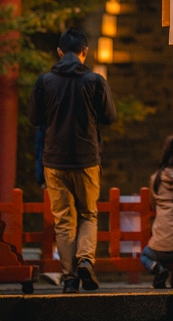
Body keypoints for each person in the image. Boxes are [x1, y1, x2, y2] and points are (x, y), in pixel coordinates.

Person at [28, 27, 118, 293]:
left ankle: (69, 277)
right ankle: (86, 260)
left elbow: (35, 119)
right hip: (86, 158)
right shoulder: (95, 81)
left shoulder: (44, 81)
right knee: (88, 214)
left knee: (63, 219)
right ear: (85, 51)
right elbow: (110, 117)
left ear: (59, 52)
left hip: (54, 161)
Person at [141, 135, 173, 288]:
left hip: (161, 246)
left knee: (145, 256)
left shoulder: (156, 178)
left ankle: (157, 268)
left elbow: (153, 203)